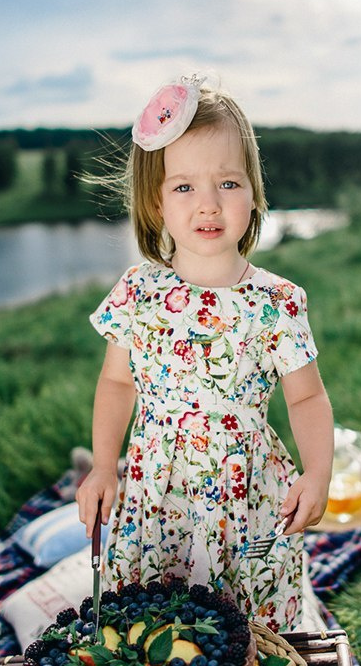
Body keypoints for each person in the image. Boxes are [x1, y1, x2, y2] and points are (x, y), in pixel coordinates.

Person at [76, 75, 333, 632]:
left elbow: (307, 397)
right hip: (156, 491)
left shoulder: (276, 302)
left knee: (248, 628)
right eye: (184, 187)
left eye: (228, 183)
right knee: (154, 620)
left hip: (245, 492)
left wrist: (317, 473)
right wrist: (102, 465)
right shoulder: (138, 293)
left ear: (254, 192)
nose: (209, 204)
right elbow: (117, 383)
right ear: (155, 202)